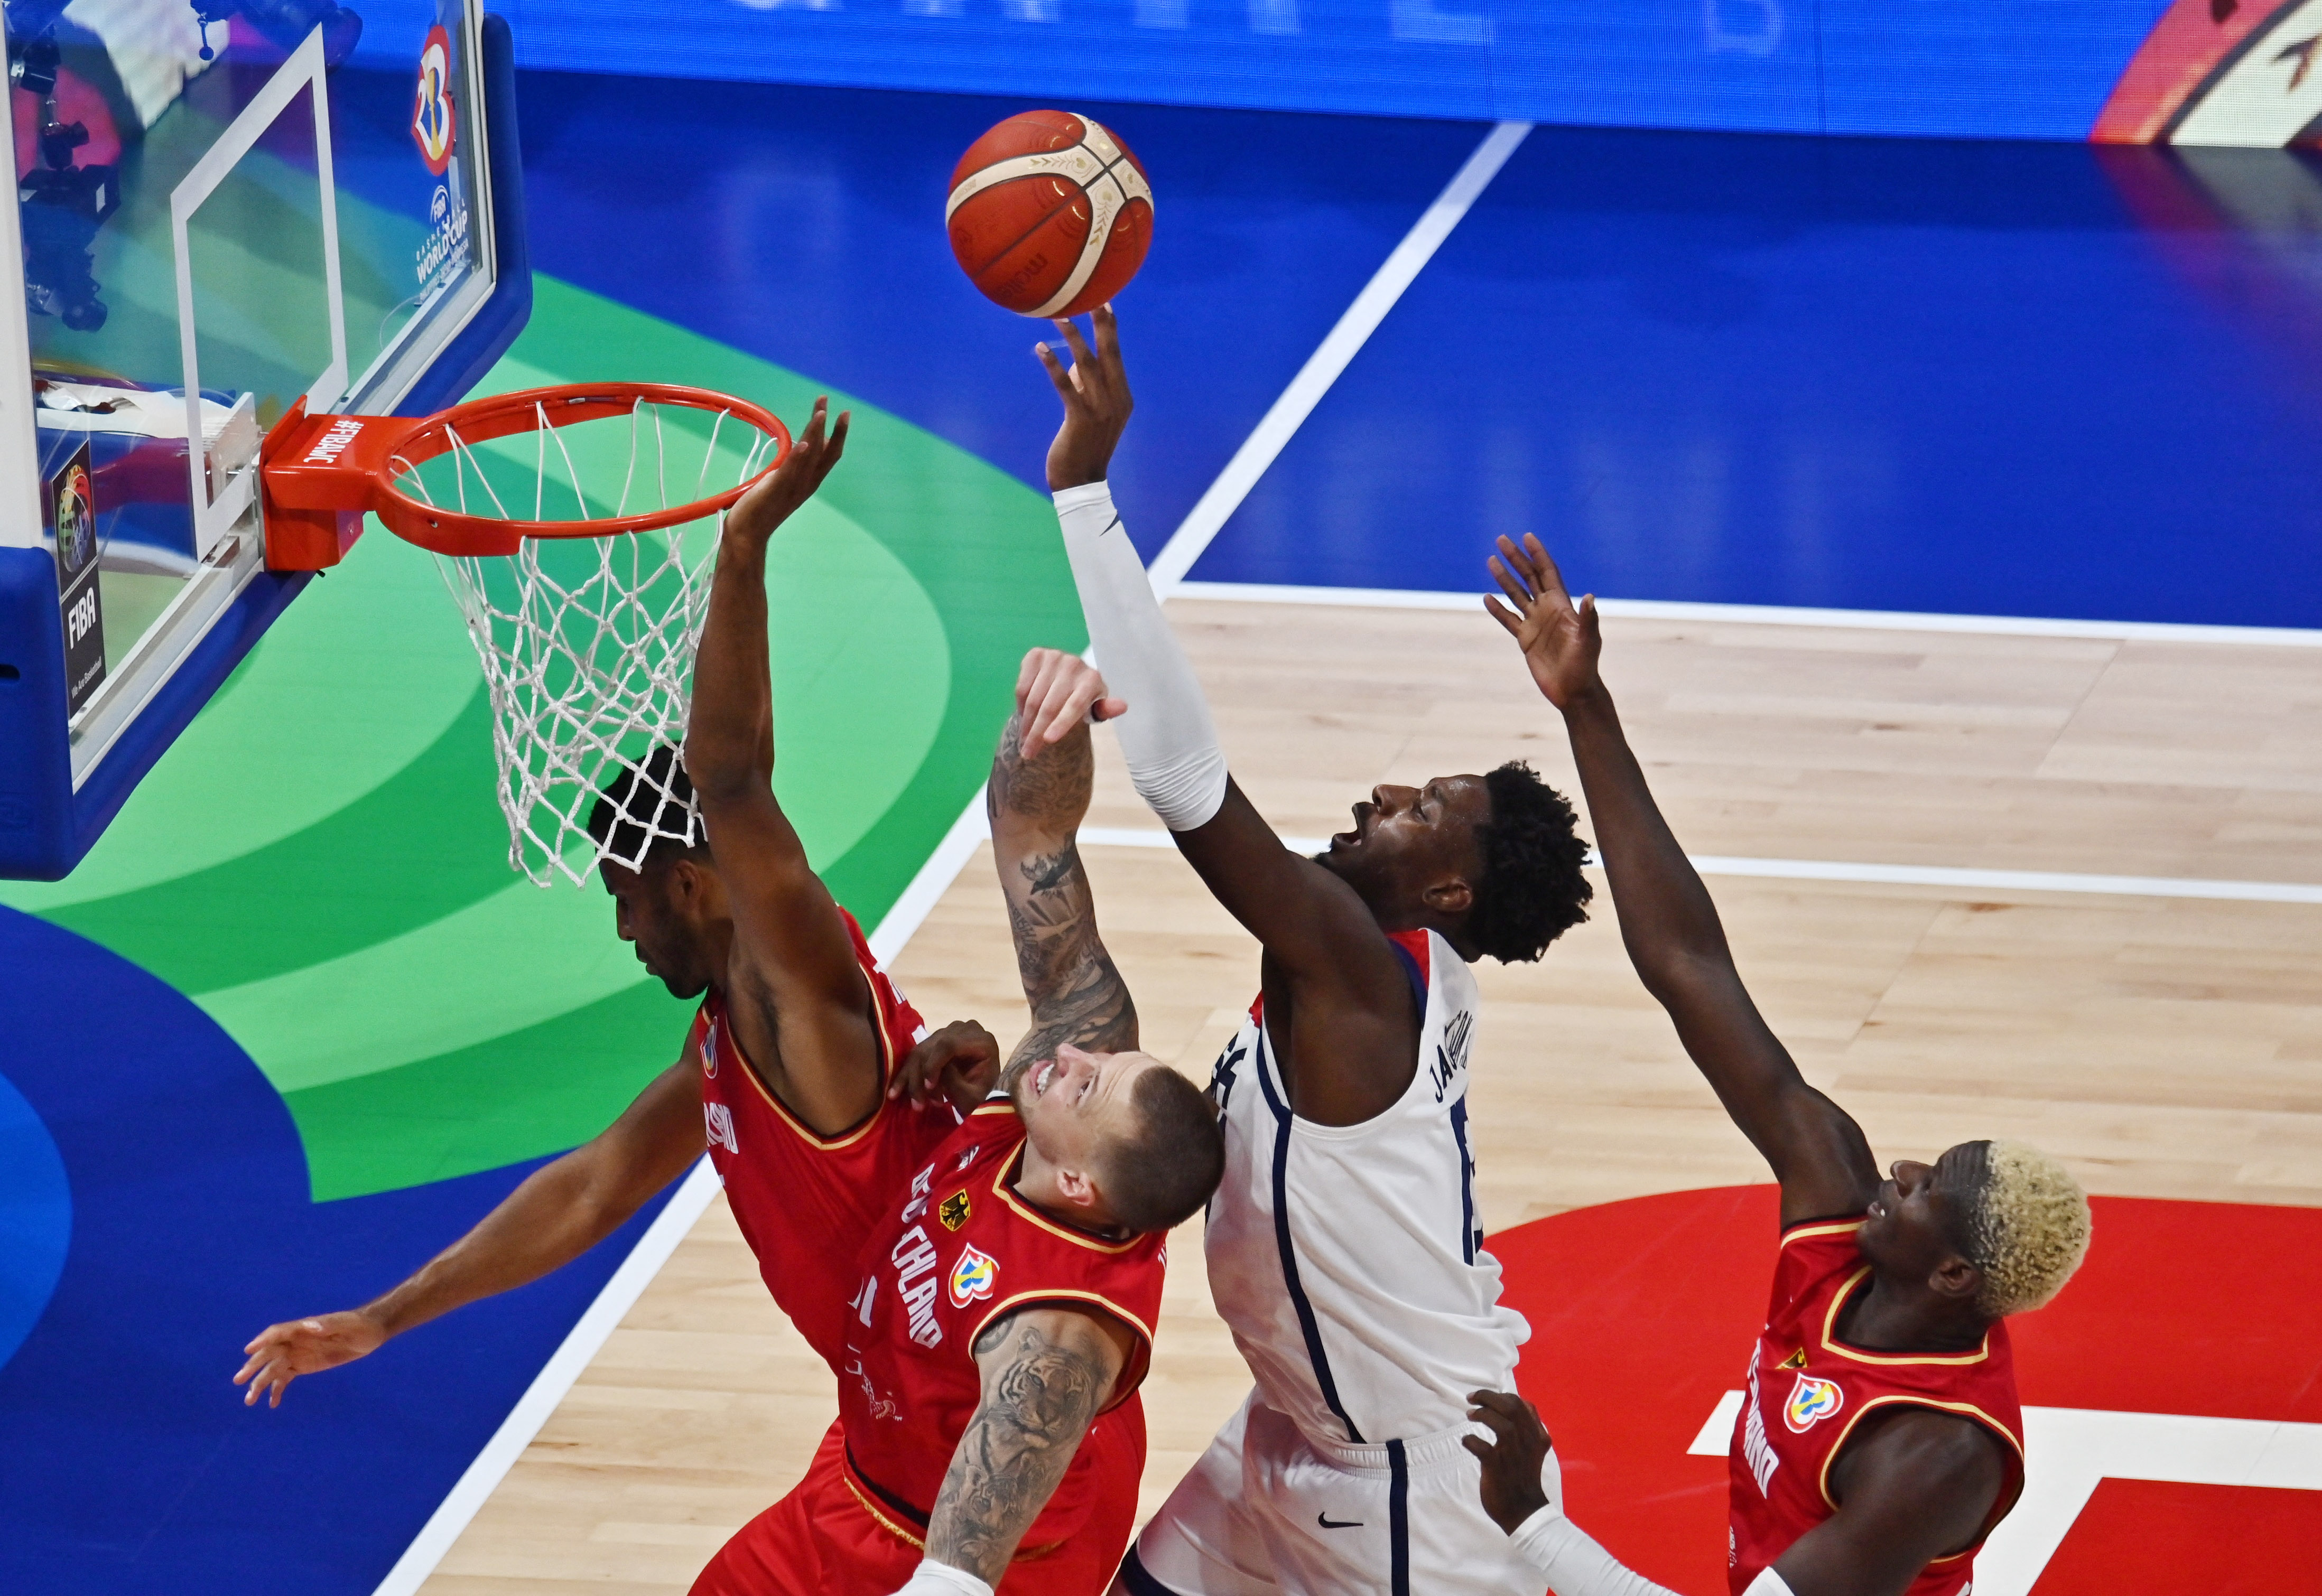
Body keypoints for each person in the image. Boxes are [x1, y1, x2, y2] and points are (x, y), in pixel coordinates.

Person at [1029, 307, 1593, 1596]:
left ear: (1446, 886)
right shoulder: (1392, 972)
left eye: (1420, 806)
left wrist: (1084, 492)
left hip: (1415, 1495)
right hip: (1299, 1427)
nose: (1383, 793)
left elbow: (1184, 780)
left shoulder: (1356, 968)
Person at [1460, 535, 2093, 1596]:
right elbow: (1688, 966)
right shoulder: (1839, 1202)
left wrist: (1530, 1521)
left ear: (1952, 1275)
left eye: (1924, 1187)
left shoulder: (1933, 1452)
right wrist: (1585, 704)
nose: (1897, 1169)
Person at [696, 648, 1224, 1596]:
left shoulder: (1051, 1345)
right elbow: (1032, 832)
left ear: (1079, 1184)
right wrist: (1048, 720)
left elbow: (957, 1575)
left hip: (980, 1547)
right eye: (1104, 1060)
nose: (1073, 1056)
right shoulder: (1060, 1121)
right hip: (870, 1470)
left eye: (1088, 1086)